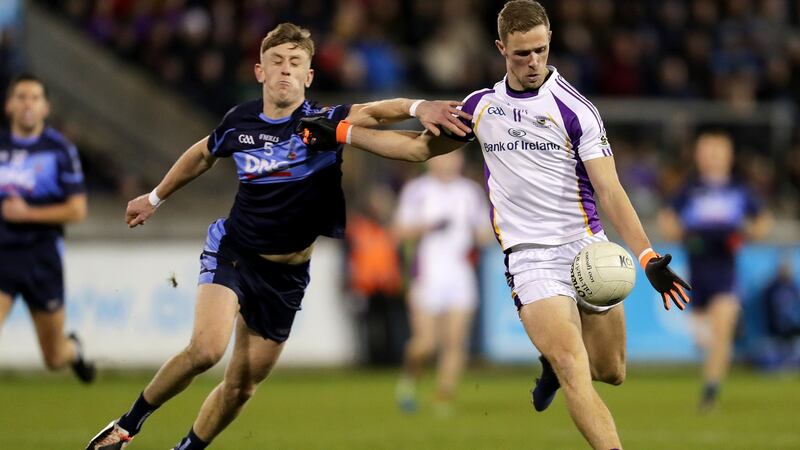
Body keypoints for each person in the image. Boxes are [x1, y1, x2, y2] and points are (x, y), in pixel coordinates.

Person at [298, 2, 691, 448]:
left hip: (588, 250)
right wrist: (343, 132)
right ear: (501, 48)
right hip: (530, 259)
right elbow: (415, 149)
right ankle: (561, 366)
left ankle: (550, 361)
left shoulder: (576, 111)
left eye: (540, 50)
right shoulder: (481, 108)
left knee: (611, 371)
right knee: (573, 365)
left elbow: (611, 190)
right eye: (521, 53)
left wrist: (647, 257)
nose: (533, 62)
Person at [85, 22, 470, 450]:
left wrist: (421, 108)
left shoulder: (323, 124)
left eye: (295, 63)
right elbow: (202, 154)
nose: (285, 70)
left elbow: (381, 115)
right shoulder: (241, 121)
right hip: (235, 252)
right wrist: (154, 197)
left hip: (286, 276)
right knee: (207, 350)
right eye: (276, 62)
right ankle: (126, 427)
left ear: (309, 76)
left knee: (242, 386)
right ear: (259, 71)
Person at [659, 130, 770, 410]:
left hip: (725, 270)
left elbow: (762, 222)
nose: (712, 156)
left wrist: (743, 235)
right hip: (696, 270)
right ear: (697, 155)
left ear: (729, 156)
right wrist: (685, 234)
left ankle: (710, 391)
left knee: (722, 330)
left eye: (717, 151)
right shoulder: (689, 188)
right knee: (702, 338)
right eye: (706, 150)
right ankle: (713, 367)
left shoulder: (739, 189)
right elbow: (667, 221)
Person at [0, 74, 94, 383]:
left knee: (54, 357)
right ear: (9, 105)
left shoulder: (59, 150)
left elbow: (77, 210)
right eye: (22, 97)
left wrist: (27, 213)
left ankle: (74, 351)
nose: (28, 103)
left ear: (45, 107)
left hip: (42, 256)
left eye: (35, 98)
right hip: (4, 253)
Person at [392, 150, 491, 415]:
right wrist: (426, 227)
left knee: (455, 342)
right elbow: (399, 231)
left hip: (460, 275)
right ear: (431, 159)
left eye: (453, 156)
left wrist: (481, 233)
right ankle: (410, 381)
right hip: (427, 274)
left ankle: (443, 398)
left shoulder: (470, 192)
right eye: (443, 156)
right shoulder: (417, 190)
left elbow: (484, 235)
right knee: (425, 343)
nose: (448, 161)